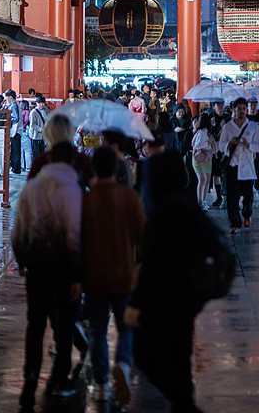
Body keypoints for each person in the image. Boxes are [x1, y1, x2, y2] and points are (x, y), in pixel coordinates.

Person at [124, 151, 207, 413]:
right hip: (189, 294)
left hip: (165, 296)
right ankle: (183, 401)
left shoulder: (163, 211)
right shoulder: (187, 203)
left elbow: (152, 263)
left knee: (147, 354)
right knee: (180, 353)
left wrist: (136, 302)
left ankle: (183, 403)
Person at [12, 141, 83, 406]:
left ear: (50, 159)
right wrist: (78, 275)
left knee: (35, 325)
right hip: (64, 267)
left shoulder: (32, 188)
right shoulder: (73, 190)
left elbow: (19, 228)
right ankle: (59, 380)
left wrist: (21, 259)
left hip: (37, 266)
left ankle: (29, 381)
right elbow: (75, 235)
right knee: (63, 326)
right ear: (71, 161)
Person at [82, 147, 146, 404]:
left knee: (97, 331)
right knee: (126, 327)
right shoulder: (128, 197)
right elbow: (143, 237)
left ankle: (100, 383)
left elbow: (78, 242)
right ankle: (123, 364)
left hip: (94, 277)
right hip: (123, 273)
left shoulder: (87, 200)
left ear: (95, 169)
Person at [219, 97, 259, 234]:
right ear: (234, 110)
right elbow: (221, 146)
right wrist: (229, 144)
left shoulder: (253, 126)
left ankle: (247, 213)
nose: (242, 111)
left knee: (248, 195)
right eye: (239, 109)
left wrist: (248, 144)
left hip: (247, 165)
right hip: (233, 165)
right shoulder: (227, 127)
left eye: (244, 109)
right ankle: (234, 223)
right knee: (232, 196)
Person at [191, 113, 216, 211]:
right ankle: (200, 202)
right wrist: (208, 143)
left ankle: (203, 201)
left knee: (206, 180)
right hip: (200, 158)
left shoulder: (207, 132)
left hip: (206, 158)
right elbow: (198, 146)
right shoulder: (201, 132)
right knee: (202, 179)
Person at [209, 100, 229, 208]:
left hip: (226, 150)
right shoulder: (211, 119)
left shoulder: (228, 118)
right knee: (216, 174)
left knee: (225, 174)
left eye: (221, 104)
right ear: (214, 107)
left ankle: (226, 196)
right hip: (215, 151)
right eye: (218, 105)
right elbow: (210, 135)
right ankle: (219, 197)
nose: (220, 107)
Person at [4, 88, 22, 175]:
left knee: (15, 150)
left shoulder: (14, 106)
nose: (6, 99)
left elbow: (15, 118)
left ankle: (16, 168)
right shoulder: (15, 105)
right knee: (15, 150)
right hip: (16, 131)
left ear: (10, 97)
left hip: (15, 131)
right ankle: (16, 167)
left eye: (7, 97)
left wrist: (9, 120)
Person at [28, 95, 48, 159]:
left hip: (43, 136)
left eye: (43, 103)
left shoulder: (46, 110)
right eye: (40, 103)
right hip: (35, 136)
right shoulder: (33, 112)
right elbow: (33, 124)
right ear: (36, 103)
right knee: (36, 154)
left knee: (42, 153)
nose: (41, 105)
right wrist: (41, 129)